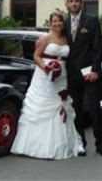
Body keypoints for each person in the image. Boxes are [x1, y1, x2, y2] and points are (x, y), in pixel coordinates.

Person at [11, 11, 84, 159]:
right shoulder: (45, 38)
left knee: (61, 105)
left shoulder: (66, 38)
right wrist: (46, 68)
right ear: (51, 23)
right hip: (44, 75)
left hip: (61, 75)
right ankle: (34, 145)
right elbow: (36, 55)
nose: (57, 24)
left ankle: (62, 144)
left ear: (64, 23)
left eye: (60, 21)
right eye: (54, 21)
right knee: (41, 107)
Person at [65, 0, 102, 157]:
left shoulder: (91, 21)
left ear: (81, 3)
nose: (74, 4)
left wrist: (96, 71)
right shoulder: (64, 23)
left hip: (90, 73)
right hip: (72, 75)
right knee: (76, 109)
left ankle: (101, 144)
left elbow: (98, 47)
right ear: (67, 4)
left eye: (77, 1)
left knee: (94, 110)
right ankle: (81, 143)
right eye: (71, 1)